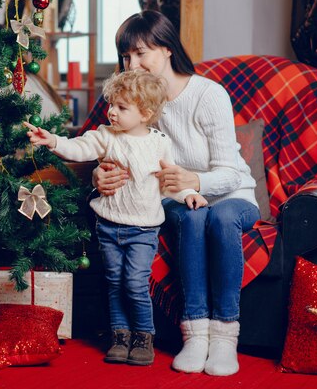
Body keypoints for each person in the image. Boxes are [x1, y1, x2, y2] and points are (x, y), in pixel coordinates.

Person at [92, 10, 260, 376]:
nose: (131, 64)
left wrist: (196, 182)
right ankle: (196, 334)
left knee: (220, 215)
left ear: (167, 49)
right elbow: (101, 144)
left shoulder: (208, 94)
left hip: (232, 196)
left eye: (141, 53)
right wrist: (97, 175)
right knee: (195, 216)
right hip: (174, 200)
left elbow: (230, 173)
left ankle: (225, 336)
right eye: (125, 56)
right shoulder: (132, 99)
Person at [24, 70, 208, 366]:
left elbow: (168, 178)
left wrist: (187, 193)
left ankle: (143, 336)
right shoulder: (105, 136)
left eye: (122, 108)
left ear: (145, 113)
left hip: (143, 229)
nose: (112, 111)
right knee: (113, 281)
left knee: (134, 282)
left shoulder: (158, 143)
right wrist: (54, 141)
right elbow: (79, 148)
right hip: (109, 225)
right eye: (111, 104)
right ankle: (119, 336)